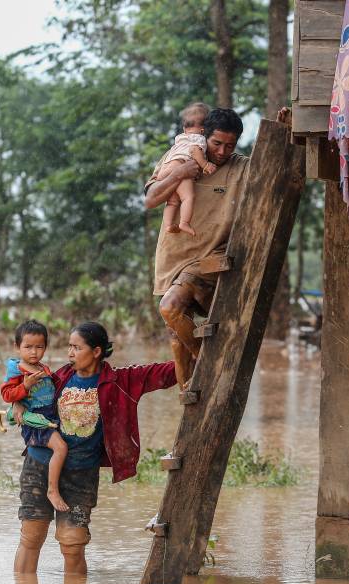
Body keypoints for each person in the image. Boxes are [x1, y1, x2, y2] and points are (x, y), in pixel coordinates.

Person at [13, 322, 177, 575]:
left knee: (72, 542)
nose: (70, 353)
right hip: (39, 465)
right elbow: (23, 397)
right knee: (31, 537)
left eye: (77, 348)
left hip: (81, 473)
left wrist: (191, 352)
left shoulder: (119, 381)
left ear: (97, 351)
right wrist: (18, 407)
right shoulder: (59, 377)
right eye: (69, 347)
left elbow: (165, 373)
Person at [144, 107, 249, 389]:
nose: (223, 151)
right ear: (204, 136)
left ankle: (207, 364)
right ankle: (187, 392)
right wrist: (181, 171)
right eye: (217, 143)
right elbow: (151, 199)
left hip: (207, 259)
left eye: (230, 145)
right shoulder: (180, 156)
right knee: (175, 335)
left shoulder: (240, 167)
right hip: (173, 258)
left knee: (170, 308)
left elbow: (276, 167)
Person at [0, 320, 69, 512]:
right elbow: (6, 394)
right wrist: (25, 388)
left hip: (51, 417)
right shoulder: (17, 371)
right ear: (17, 347)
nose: (34, 352)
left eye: (39, 347)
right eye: (28, 347)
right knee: (61, 448)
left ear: (46, 347)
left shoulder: (43, 368)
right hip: (36, 423)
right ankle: (52, 490)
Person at [154, 102, 216, 236]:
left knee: (172, 201)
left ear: (184, 128)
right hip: (182, 167)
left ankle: (169, 225)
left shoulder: (180, 138)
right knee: (188, 197)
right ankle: (184, 223)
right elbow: (194, 151)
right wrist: (205, 165)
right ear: (204, 129)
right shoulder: (199, 139)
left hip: (168, 166)